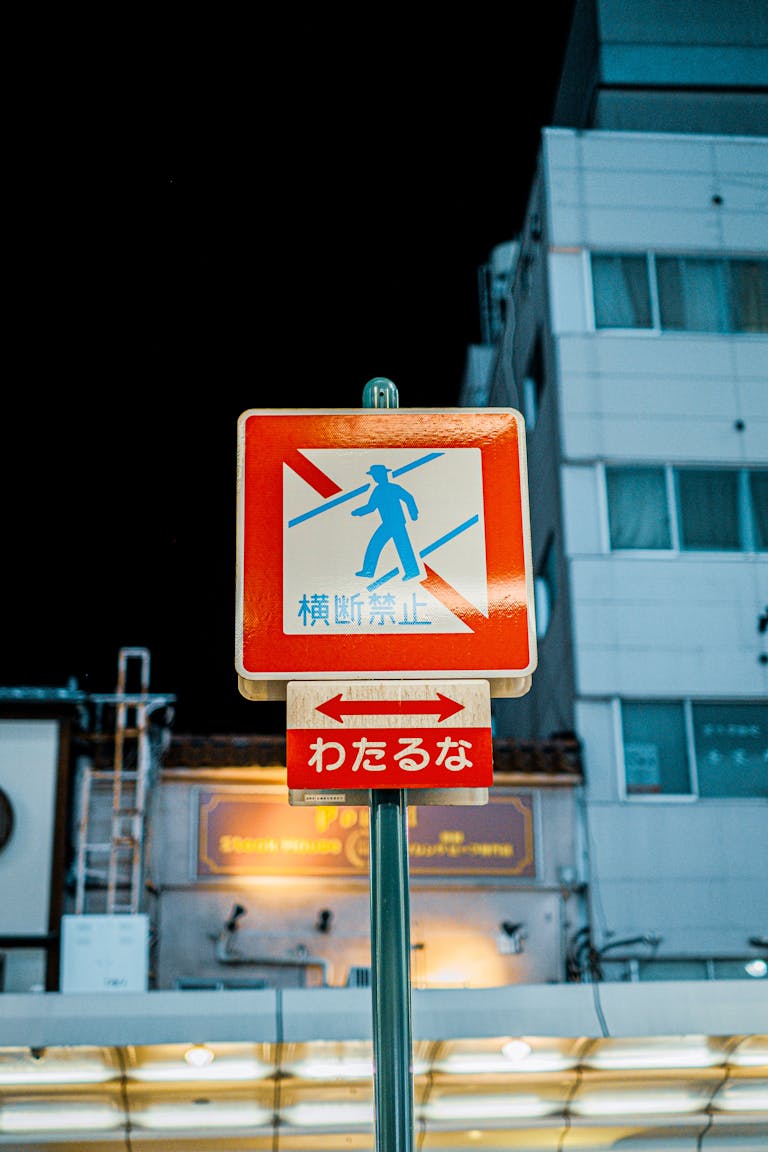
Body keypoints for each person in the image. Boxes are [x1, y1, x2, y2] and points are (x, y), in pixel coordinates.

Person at [352, 464, 421, 580]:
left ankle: (369, 571)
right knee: (400, 546)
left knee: (379, 545)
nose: (375, 478)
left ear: (382, 475)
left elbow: (408, 498)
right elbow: (371, 507)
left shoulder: (390, 488)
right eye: (374, 476)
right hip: (392, 523)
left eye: (376, 475)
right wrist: (358, 512)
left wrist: (413, 514)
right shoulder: (380, 490)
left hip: (394, 523)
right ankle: (412, 571)